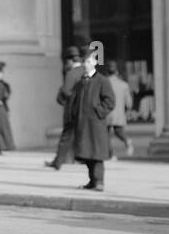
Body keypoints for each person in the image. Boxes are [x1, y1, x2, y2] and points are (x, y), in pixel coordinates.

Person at [65, 47, 114, 190]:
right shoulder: (82, 81)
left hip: (96, 123)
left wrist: (99, 111)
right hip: (83, 123)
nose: (85, 64)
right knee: (86, 153)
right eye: (84, 61)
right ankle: (92, 181)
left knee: (97, 153)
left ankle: (99, 181)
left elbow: (110, 101)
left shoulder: (102, 80)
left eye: (87, 61)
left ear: (94, 63)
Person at [45, 46, 85, 169]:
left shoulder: (72, 73)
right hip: (85, 110)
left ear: (69, 61)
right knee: (81, 135)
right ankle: (77, 158)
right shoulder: (85, 70)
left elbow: (66, 91)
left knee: (66, 136)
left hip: (72, 109)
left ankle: (58, 162)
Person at [104, 60, 133, 159]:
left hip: (106, 112)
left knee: (106, 134)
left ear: (107, 72)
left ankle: (110, 154)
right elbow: (129, 102)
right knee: (119, 131)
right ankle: (127, 140)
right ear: (117, 72)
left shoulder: (104, 83)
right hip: (119, 113)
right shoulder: (124, 85)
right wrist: (127, 109)